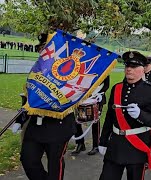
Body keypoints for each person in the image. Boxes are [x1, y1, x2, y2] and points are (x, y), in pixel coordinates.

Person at [11, 34, 77, 180]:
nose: (42, 53)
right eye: (41, 50)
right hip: (35, 125)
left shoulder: (67, 70)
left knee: (55, 165)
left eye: (45, 49)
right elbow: (30, 98)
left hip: (58, 127)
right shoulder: (37, 70)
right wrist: (19, 120)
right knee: (28, 160)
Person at [98, 51, 151, 180]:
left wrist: (140, 115)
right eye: (127, 66)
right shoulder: (117, 88)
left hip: (137, 145)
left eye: (134, 67)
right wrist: (103, 141)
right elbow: (110, 117)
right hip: (116, 145)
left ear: (142, 69)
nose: (129, 70)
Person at [71, 76, 110, 155]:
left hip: (97, 99)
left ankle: (96, 145)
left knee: (95, 122)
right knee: (77, 121)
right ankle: (80, 144)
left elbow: (106, 85)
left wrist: (97, 94)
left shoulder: (104, 68)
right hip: (82, 98)